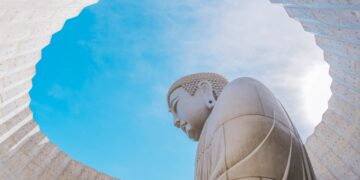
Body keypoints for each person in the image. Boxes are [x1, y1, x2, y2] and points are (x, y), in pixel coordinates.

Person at [167, 72, 315, 180]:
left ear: (205, 91)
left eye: (176, 105)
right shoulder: (207, 139)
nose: (175, 121)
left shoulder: (240, 90)